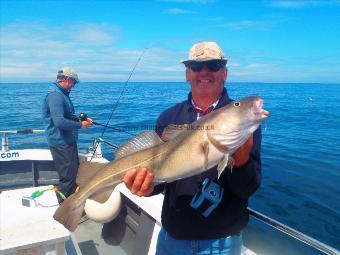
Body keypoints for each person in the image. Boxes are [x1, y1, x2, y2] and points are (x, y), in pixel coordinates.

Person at [123, 42, 262, 255]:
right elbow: (163, 182)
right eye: (196, 67)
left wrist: (241, 158)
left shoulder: (241, 122)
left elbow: (247, 188)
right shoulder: (169, 118)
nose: (204, 72)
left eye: (213, 65)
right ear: (187, 74)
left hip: (222, 242)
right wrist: (147, 187)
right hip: (172, 236)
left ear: (224, 73)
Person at [42, 67, 93, 203]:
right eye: (74, 82)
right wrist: (80, 125)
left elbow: (66, 115)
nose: (74, 85)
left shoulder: (62, 93)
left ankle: (72, 204)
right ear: (67, 79)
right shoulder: (55, 95)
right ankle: (64, 208)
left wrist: (80, 120)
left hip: (67, 142)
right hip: (61, 143)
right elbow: (59, 122)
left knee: (73, 174)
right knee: (68, 178)